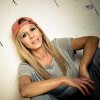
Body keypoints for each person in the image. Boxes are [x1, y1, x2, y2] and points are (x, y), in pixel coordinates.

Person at [11, 17, 100, 100]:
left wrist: (83, 67)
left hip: (87, 91)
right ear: (21, 43)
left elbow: (92, 40)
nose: (31, 36)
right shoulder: (26, 66)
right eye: (24, 35)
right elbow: (24, 90)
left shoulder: (57, 45)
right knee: (38, 98)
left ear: (40, 31)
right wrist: (63, 80)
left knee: (95, 53)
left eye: (32, 29)